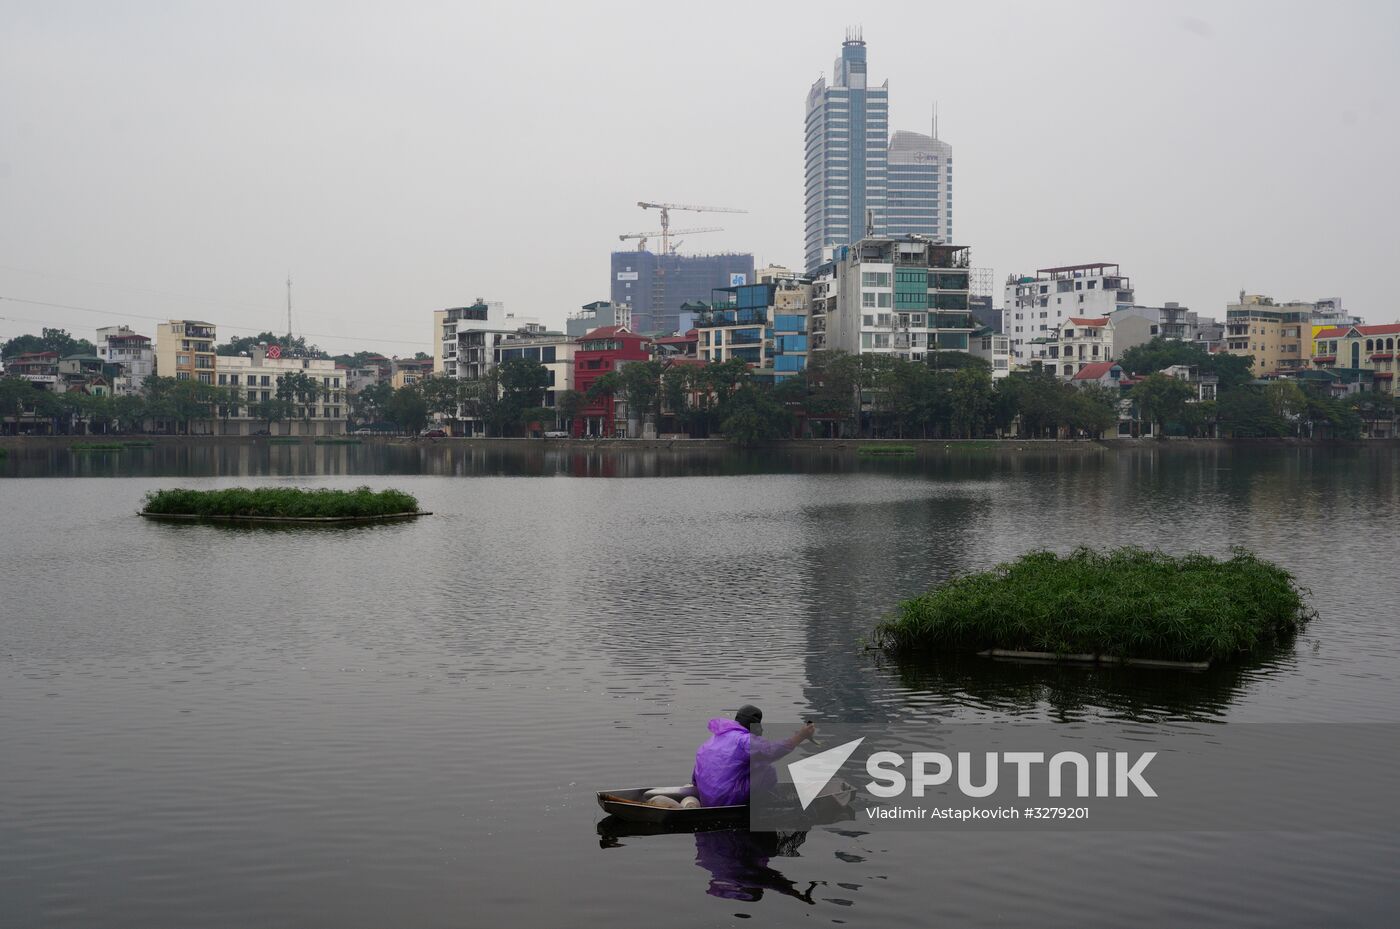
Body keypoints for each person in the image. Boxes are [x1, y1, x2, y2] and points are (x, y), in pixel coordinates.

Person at [692, 705, 816, 807]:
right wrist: (800, 736)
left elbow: (695, 777)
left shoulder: (714, 739)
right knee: (767, 769)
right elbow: (771, 751)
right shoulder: (744, 739)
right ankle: (761, 805)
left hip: (706, 798)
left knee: (752, 765)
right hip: (726, 799)